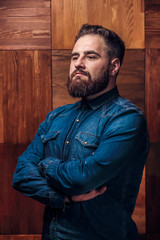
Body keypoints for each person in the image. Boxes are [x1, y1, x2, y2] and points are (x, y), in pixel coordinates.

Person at [13, 24, 149, 240]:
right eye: (74, 56)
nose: (78, 63)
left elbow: (83, 179)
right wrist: (66, 198)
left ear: (114, 67)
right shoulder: (56, 117)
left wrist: (46, 164)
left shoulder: (127, 119)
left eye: (90, 56)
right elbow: (21, 175)